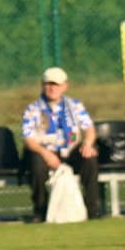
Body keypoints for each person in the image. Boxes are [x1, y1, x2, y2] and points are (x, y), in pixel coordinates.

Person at [21, 66, 100, 221]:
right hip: (44, 152)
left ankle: (93, 210)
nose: (52, 88)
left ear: (64, 86)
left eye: (56, 84)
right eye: (48, 84)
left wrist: (87, 144)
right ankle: (40, 211)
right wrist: (46, 154)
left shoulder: (75, 106)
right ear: (42, 85)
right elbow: (28, 139)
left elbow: (89, 129)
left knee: (90, 159)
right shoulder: (33, 109)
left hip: (70, 150)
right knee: (36, 165)